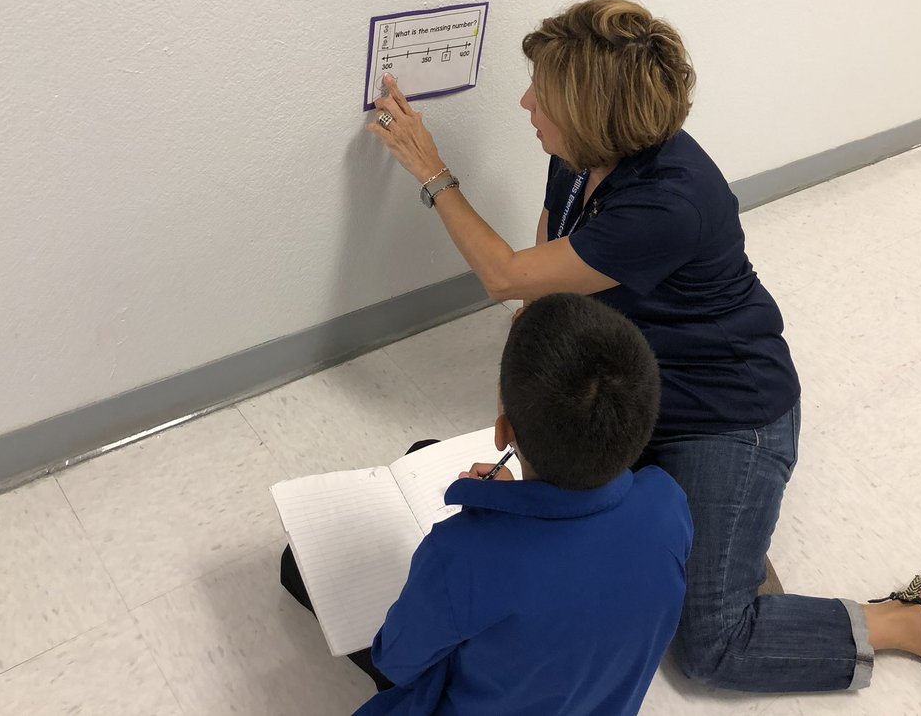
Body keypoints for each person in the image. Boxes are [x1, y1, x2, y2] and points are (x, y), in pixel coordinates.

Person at [366, 0, 921, 716]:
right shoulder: (578, 158)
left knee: (713, 646)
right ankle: (723, 553)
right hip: (635, 387)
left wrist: (431, 169)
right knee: (579, 512)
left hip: (727, 412)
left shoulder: (668, 203)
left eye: (545, 95)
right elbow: (541, 271)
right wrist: (526, 377)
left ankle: (916, 620)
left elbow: (505, 274)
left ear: (592, 115)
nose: (526, 102)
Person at [284, 292, 693, 714]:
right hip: (594, 697)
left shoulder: (459, 554)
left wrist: (485, 526)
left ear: (503, 432)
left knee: (293, 565)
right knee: (423, 448)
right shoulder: (668, 502)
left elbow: (395, 659)